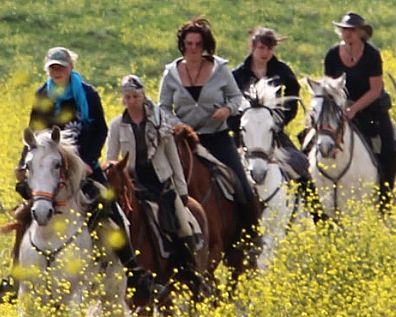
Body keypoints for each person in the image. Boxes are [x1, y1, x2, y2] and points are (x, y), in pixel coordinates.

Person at [0, 47, 152, 304]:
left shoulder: (87, 94)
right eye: (52, 68)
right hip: (50, 166)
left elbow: (99, 130)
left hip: (84, 164)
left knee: (109, 207)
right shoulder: (42, 95)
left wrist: (87, 162)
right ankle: (14, 276)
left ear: (70, 68)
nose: (56, 72)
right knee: (25, 213)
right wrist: (23, 164)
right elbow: (33, 134)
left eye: (61, 67)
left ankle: (131, 270)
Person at [158, 17, 260, 247]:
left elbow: (236, 97)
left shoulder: (220, 69)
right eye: (188, 44)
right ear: (182, 45)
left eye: (197, 44)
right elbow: (162, 107)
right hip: (184, 141)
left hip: (217, 138)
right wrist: (178, 125)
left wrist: (227, 109)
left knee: (242, 185)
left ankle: (251, 238)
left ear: (205, 46)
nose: (193, 48)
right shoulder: (171, 73)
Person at [231, 27, 326, 223]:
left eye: (269, 49)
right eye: (261, 48)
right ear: (253, 47)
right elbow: (230, 102)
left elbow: (293, 94)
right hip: (244, 135)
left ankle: (319, 217)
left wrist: (280, 120)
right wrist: (237, 126)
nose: (265, 53)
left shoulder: (282, 70)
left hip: (273, 133)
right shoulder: (238, 74)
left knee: (300, 166)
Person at [106, 74, 203, 266]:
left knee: (183, 226)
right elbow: (111, 158)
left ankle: (191, 272)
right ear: (123, 99)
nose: (132, 101)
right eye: (128, 97)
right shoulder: (117, 125)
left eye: (135, 96)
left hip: (160, 182)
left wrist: (182, 189)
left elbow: (173, 157)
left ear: (143, 96)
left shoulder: (159, 121)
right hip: (132, 183)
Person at [324, 12, 396, 210]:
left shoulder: (372, 55)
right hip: (340, 108)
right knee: (313, 139)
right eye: (344, 29)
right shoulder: (332, 55)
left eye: (352, 30)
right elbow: (329, 87)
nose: (347, 34)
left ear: (360, 33)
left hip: (371, 109)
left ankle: (385, 200)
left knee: (389, 151)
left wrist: (354, 109)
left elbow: (375, 90)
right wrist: (342, 109)